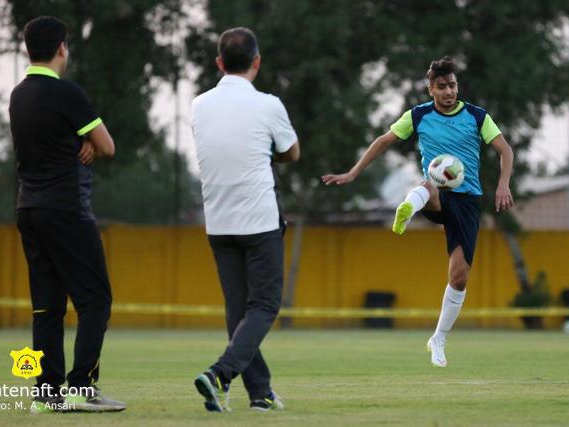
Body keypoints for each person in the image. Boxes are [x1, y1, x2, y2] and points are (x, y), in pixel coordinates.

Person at [322, 56, 514, 367]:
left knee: (460, 276)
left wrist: (504, 184)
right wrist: (353, 173)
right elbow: (383, 141)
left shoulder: (478, 116)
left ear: (456, 86)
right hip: (437, 195)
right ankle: (409, 206)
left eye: (452, 85)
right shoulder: (418, 115)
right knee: (433, 180)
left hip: (467, 201)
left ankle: (438, 338)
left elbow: (504, 149)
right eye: (441, 87)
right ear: (430, 90)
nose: (448, 91)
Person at [9, 16, 125, 412]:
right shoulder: (67, 94)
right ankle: (82, 388)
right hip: (66, 208)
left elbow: (50, 141)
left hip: (29, 207)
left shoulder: (18, 95)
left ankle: (46, 393)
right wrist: (87, 140)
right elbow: (106, 145)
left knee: (47, 306)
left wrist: (80, 140)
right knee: (96, 300)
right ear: (61, 48)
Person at [190, 27, 300, 412]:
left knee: (239, 312)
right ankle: (220, 376)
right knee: (265, 306)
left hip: (218, 222)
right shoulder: (269, 105)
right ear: (257, 62)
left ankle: (261, 394)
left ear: (219, 63)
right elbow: (291, 152)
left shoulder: (198, 105)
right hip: (259, 221)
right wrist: (267, 151)